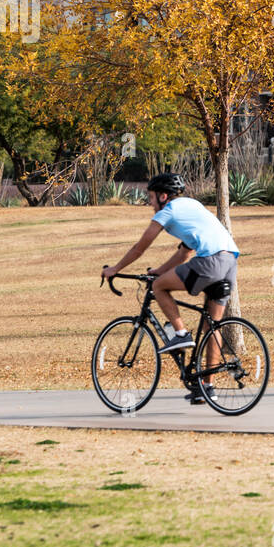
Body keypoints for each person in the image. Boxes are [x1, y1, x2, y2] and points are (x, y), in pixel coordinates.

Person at [100, 173, 240, 403]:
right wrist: (161, 269)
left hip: (209, 261)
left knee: (157, 287)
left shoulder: (168, 211)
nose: (150, 203)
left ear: (164, 196)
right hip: (230, 261)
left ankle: (181, 334)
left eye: (152, 197)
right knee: (211, 326)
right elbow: (185, 252)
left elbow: (139, 248)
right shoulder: (192, 205)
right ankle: (207, 388)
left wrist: (115, 268)